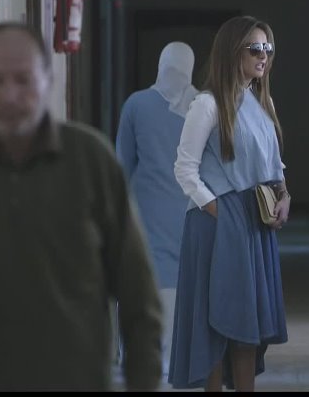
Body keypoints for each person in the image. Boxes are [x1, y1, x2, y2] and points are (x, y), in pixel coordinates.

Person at [0, 22, 163, 391]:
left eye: (23, 80)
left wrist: (144, 383)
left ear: (48, 80)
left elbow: (139, 299)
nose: (9, 95)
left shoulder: (90, 161)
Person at [168, 15, 290, 392]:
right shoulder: (207, 104)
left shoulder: (261, 101)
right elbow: (184, 168)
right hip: (218, 222)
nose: (263, 55)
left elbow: (274, 163)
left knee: (247, 324)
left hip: (254, 220)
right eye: (254, 48)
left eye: (267, 48)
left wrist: (284, 196)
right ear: (232, 51)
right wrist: (217, 210)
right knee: (217, 322)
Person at [115, 41, 198, 377]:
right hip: (190, 208)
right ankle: (178, 358)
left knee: (143, 275)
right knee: (184, 278)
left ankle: (137, 354)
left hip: (145, 209)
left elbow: (122, 164)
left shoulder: (136, 105)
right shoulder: (201, 106)